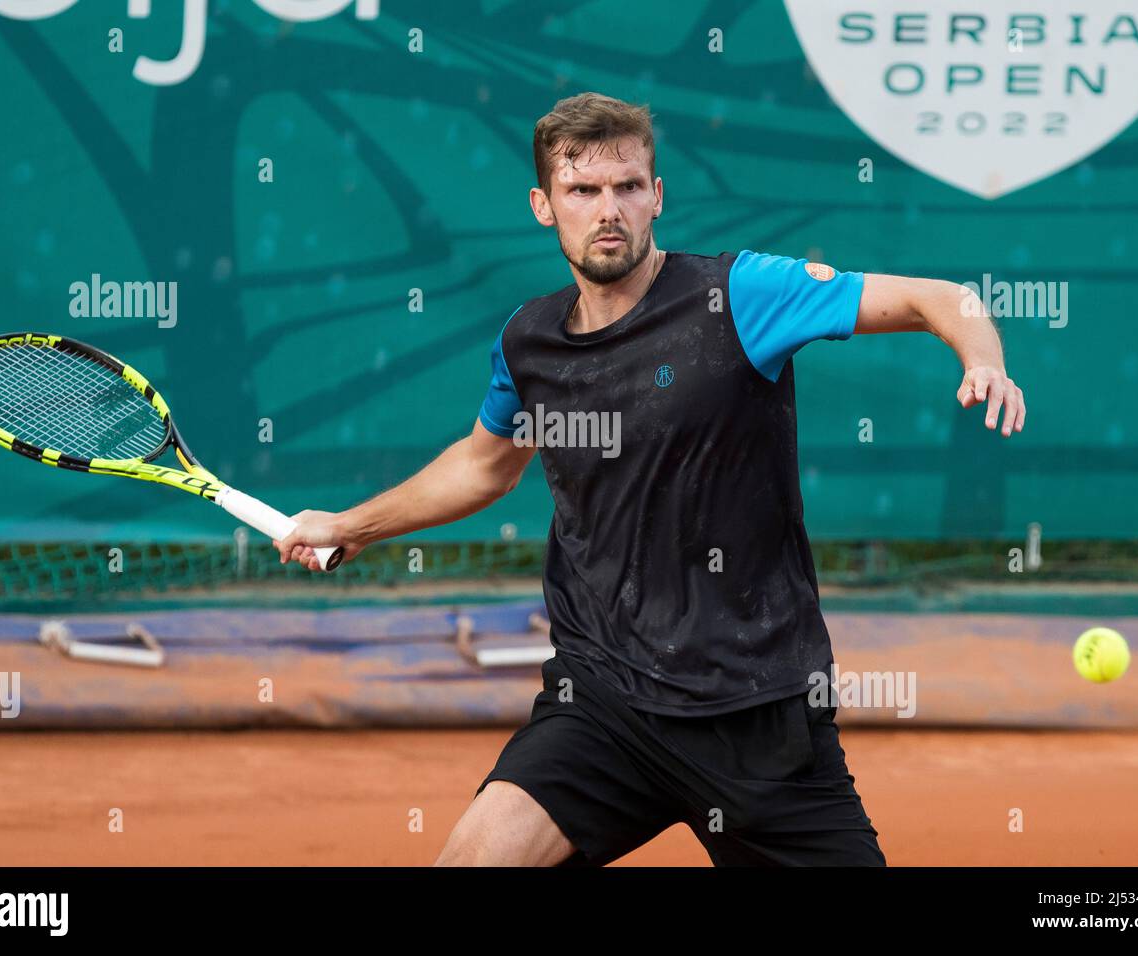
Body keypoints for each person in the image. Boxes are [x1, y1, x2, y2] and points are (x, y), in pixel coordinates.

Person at [275, 92, 1025, 866]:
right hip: (601, 705)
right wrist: (349, 525)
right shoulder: (527, 341)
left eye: (629, 187)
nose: (610, 211)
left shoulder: (740, 297)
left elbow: (939, 297)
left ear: (657, 196)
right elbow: (484, 466)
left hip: (754, 711)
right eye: (583, 191)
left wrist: (983, 358)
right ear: (544, 205)